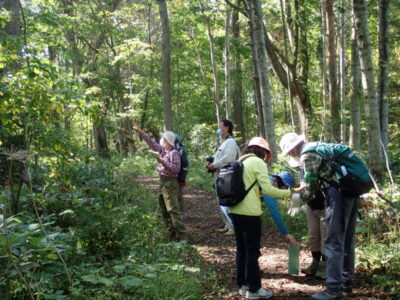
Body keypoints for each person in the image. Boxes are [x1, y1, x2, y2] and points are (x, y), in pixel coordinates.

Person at [280, 132, 360, 300]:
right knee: (347, 240)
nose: (291, 155)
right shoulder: (318, 147)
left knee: (333, 241)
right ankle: (346, 284)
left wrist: (298, 199)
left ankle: (333, 289)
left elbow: (311, 185)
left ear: (294, 148)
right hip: (351, 192)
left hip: (336, 195)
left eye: (289, 152)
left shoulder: (307, 155)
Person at [229, 137, 296, 299]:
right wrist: (291, 192)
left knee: (242, 250)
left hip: (234, 210)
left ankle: (244, 286)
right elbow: (268, 190)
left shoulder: (241, 160)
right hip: (250, 213)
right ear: (263, 152)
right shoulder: (257, 163)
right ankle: (254, 289)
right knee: (252, 251)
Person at [132, 124, 185, 241]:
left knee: (172, 209)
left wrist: (162, 161)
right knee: (163, 208)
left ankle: (182, 235)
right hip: (162, 182)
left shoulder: (174, 153)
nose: (161, 140)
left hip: (170, 183)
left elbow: (176, 169)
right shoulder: (162, 150)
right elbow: (151, 143)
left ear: (167, 141)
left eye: (163, 138)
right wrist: (140, 132)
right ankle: (170, 233)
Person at [205, 120, 240, 236]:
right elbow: (220, 157)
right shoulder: (224, 142)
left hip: (227, 175)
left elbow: (228, 159)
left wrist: (213, 165)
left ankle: (233, 226)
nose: (219, 128)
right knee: (221, 200)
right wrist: (211, 163)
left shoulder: (230, 142)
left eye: (220, 126)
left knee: (226, 201)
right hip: (219, 174)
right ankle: (227, 224)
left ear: (227, 128)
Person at [261, 171, 297, 238]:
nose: (284, 189)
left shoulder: (267, 179)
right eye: (285, 186)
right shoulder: (269, 185)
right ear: (278, 180)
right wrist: (285, 233)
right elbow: (274, 212)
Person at [174, 133, 189, 213]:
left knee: (179, 194)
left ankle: (181, 212)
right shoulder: (169, 148)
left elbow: (185, 163)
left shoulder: (181, 150)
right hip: (171, 175)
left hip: (179, 175)